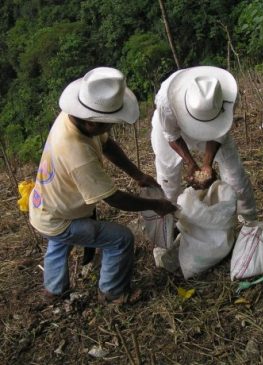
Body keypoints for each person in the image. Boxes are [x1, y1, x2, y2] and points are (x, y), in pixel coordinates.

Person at [29, 67, 177, 304]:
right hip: (60, 217)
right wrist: (157, 204)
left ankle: (54, 290)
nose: (110, 127)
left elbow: (108, 146)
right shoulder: (77, 152)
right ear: (92, 123)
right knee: (120, 239)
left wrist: (137, 175)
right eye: (108, 123)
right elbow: (114, 199)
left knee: (58, 241)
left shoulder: (74, 117)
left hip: (47, 208)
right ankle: (112, 292)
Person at [151, 66, 257, 220]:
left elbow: (220, 133)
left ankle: (250, 224)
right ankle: (170, 223)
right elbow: (171, 136)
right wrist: (191, 164)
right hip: (172, 128)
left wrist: (207, 163)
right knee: (167, 180)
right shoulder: (166, 102)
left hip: (216, 125)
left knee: (235, 177)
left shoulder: (228, 95)